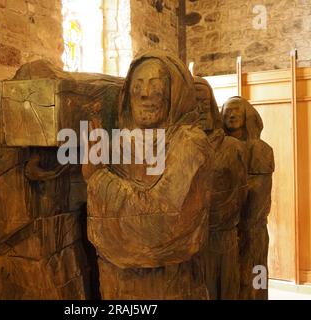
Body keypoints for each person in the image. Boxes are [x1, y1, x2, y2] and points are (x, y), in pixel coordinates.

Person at [83, 50, 214, 299]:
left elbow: (162, 222)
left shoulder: (189, 143)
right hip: (118, 284)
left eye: (156, 86)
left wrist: (98, 178)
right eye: (138, 86)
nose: (145, 94)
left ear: (174, 93)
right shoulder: (125, 143)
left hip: (168, 286)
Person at [194, 78, 247, 300]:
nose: (200, 107)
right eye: (193, 102)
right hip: (192, 239)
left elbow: (241, 193)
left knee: (226, 287)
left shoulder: (233, 148)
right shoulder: (176, 148)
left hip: (223, 234)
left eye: (204, 101)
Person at [222, 96, 275, 300]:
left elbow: (257, 194)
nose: (232, 115)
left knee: (255, 278)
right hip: (227, 233)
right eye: (227, 111)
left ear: (247, 115)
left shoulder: (261, 149)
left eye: (236, 110)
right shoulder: (220, 149)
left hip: (252, 232)